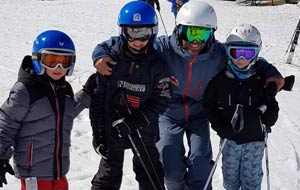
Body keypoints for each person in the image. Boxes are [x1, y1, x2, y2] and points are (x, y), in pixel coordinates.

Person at [91, 1, 284, 189]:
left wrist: (272, 73)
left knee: (200, 166)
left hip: (199, 114)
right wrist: (99, 54)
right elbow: (121, 43)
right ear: (179, 29)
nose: (195, 41)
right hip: (168, 113)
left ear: (211, 33)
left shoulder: (217, 53)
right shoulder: (163, 48)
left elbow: (245, 57)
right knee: (171, 170)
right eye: (190, 32)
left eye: (202, 33)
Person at [89, 1, 170, 190]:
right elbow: (99, 98)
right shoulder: (110, 59)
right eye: (132, 33)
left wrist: (137, 121)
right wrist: (98, 132)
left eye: (143, 34)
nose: (138, 41)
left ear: (153, 33)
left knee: (150, 173)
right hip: (113, 124)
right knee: (108, 174)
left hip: (144, 126)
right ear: (122, 32)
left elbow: (162, 99)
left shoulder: (157, 64)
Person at [0, 30, 92, 190]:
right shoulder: (26, 89)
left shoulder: (64, 88)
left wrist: (86, 95)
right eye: (51, 60)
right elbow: (6, 124)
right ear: (38, 59)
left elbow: (66, 114)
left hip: (58, 170)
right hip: (33, 172)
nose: (58, 67)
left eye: (65, 61)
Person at [203, 24, 279, 190]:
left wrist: (270, 114)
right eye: (236, 53)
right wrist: (220, 126)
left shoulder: (261, 79)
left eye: (248, 53)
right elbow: (209, 106)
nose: (241, 59)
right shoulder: (220, 80)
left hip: (255, 141)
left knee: (251, 181)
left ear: (257, 53)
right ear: (228, 52)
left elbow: (271, 103)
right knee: (230, 179)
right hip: (230, 140)